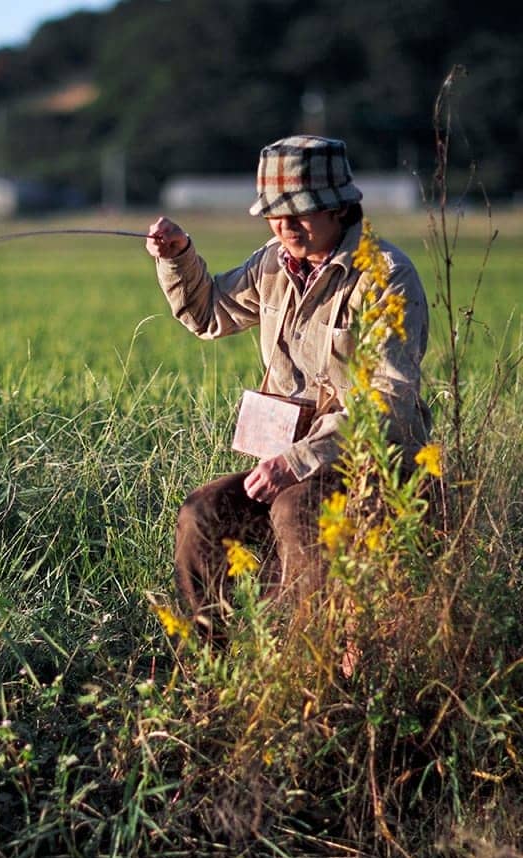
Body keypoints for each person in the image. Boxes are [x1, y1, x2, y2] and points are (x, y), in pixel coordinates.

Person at [146, 134, 431, 638]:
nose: (285, 226)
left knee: (295, 510)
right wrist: (178, 256)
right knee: (201, 513)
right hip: (287, 464)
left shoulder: (386, 276)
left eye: (300, 212)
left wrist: (295, 462)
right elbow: (209, 313)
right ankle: (217, 660)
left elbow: (387, 402)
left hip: (370, 465)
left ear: (339, 209)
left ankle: (300, 659)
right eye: (275, 215)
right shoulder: (272, 263)